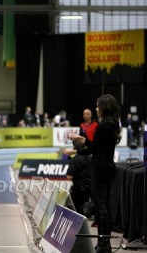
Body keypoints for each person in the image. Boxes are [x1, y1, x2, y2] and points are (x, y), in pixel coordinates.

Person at [63, 94, 121, 253]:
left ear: (104, 107)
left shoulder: (103, 126)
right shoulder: (112, 125)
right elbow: (97, 145)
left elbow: (93, 149)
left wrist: (74, 151)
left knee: (100, 206)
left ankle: (103, 244)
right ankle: (105, 243)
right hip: (108, 168)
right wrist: (82, 139)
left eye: (97, 106)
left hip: (100, 169)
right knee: (105, 206)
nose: (96, 109)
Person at [65, 140, 92, 216]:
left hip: (79, 189)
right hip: (92, 188)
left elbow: (69, 177)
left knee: (75, 210)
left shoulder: (75, 160)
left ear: (75, 149)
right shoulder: (91, 158)